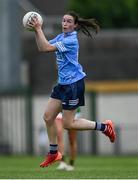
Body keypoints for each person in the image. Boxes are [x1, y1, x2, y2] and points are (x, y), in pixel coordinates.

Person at [28, 11, 116, 168]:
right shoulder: (61, 37)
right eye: (63, 21)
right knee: (48, 117)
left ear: (75, 25)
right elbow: (42, 47)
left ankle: (104, 127)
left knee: (68, 124)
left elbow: (47, 47)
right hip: (62, 84)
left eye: (69, 21)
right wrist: (36, 30)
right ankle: (54, 153)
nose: (65, 23)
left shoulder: (71, 40)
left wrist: (39, 28)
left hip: (73, 85)